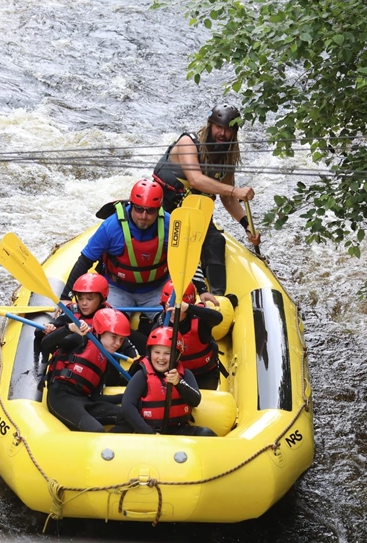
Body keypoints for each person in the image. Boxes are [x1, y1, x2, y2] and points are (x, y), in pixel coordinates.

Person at [153, 103, 261, 298]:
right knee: (173, 244)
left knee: (214, 240)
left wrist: (247, 226)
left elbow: (228, 200)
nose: (222, 133)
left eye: (228, 130)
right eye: (219, 127)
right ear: (210, 125)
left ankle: (219, 296)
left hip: (195, 214)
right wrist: (236, 190)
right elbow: (196, 179)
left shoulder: (226, 156)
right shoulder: (188, 142)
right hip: (164, 211)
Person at [61, 179, 170, 312]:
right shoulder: (111, 226)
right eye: (139, 209)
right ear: (132, 205)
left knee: (170, 324)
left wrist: (202, 290)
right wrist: (66, 296)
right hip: (117, 289)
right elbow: (86, 260)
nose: (144, 216)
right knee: (110, 326)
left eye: (150, 211)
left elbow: (185, 258)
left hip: (157, 288)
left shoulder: (170, 225)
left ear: (159, 209)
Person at [111, 327, 216, 436]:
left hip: (179, 430)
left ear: (176, 355)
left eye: (167, 353)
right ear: (150, 353)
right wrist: (149, 433)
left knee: (206, 433)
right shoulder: (142, 376)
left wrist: (178, 383)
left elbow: (195, 401)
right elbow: (128, 406)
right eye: (157, 352)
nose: (161, 358)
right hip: (150, 432)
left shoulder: (185, 375)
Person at [41, 308, 131, 433]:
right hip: (61, 396)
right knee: (96, 429)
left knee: (128, 418)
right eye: (114, 337)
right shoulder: (81, 339)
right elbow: (46, 344)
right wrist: (70, 328)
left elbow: (96, 397)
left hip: (84, 400)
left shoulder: (105, 359)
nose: (117, 343)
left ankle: (109, 449)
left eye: (121, 339)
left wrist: (128, 396)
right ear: (100, 332)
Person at [153, 279, 224, 391]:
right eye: (169, 308)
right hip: (176, 376)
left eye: (177, 309)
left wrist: (189, 308)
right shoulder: (160, 325)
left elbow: (218, 318)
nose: (172, 313)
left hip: (204, 374)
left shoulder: (200, 322)